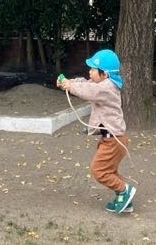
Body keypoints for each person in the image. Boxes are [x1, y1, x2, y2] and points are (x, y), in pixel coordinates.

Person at [57, 48, 136, 214]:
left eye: (93, 69)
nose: (90, 72)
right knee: (109, 171)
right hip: (112, 139)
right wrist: (69, 82)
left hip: (114, 140)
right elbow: (86, 84)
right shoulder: (102, 83)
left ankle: (124, 190)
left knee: (98, 170)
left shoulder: (106, 88)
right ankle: (125, 199)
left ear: (105, 74)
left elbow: (89, 91)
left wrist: (70, 86)